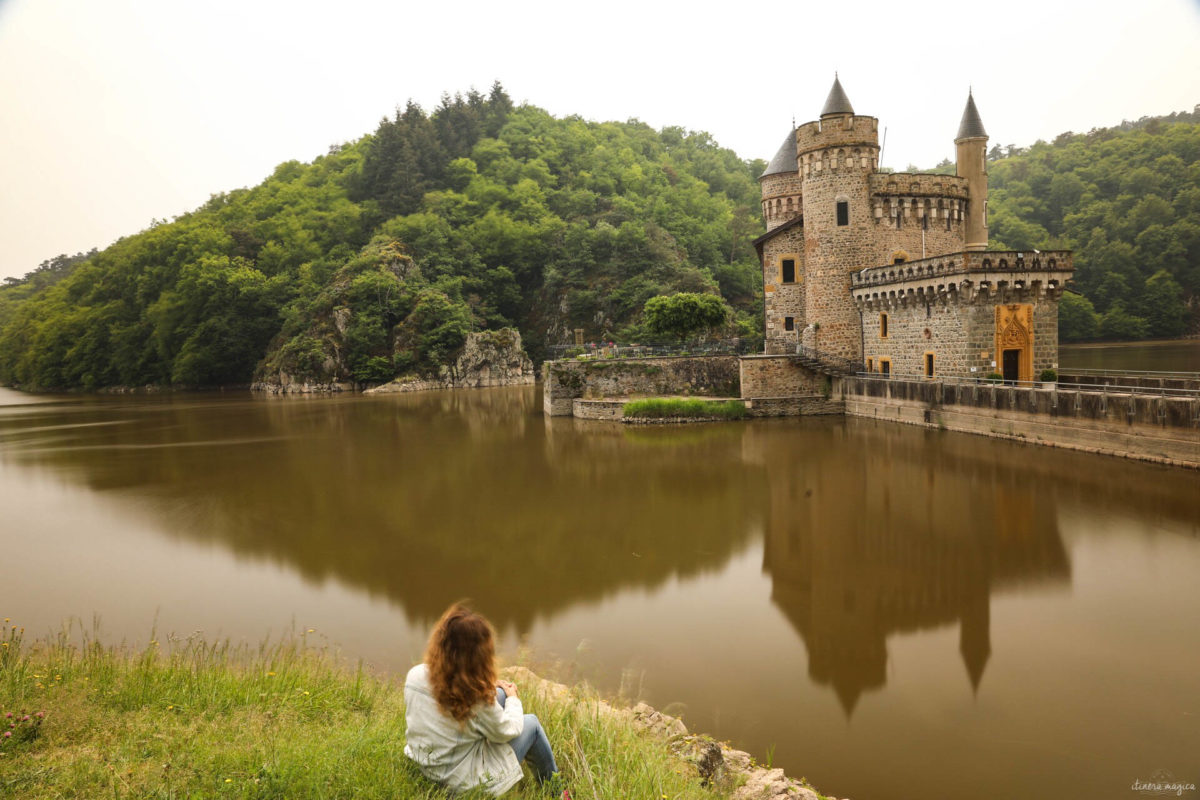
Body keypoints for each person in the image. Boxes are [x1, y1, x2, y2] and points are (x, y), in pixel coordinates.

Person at [404, 603, 569, 798]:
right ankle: (557, 794)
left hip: (422, 768)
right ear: (479, 656)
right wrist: (513, 699)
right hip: (459, 787)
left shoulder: (414, 676)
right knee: (531, 724)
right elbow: (507, 731)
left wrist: (489, 689)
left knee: (498, 695)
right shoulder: (474, 699)